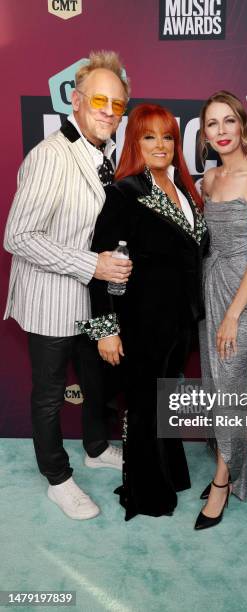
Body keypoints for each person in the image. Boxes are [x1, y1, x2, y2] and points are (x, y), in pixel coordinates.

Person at [3, 50, 133, 520]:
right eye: (99, 99)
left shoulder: (105, 156)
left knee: (96, 380)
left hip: (90, 302)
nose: (108, 110)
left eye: (118, 104)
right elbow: (17, 236)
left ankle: (96, 448)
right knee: (51, 392)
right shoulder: (51, 155)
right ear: (75, 101)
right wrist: (90, 265)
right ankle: (57, 478)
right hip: (50, 299)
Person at [78, 103, 209, 520]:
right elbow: (103, 266)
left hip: (179, 322)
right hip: (141, 321)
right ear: (134, 141)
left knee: (165, 401)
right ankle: (147, 494)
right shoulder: (124, 193)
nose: (160, 145)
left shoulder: (184, 189)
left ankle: (169, 475)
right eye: (148, 136)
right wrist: (106, 330)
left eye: (167, 136)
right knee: (144, 405)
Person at [194, 91, 247, 530]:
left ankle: (223, 483)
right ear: (204, 134)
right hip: (211, 290)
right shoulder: (209, 180)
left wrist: (232, 315)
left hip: (243, 296)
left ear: (241, 125)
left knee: (230, 390)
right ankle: (223, 465)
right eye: (212, 124)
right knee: (214, 384)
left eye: (228, 122)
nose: (221, 131)